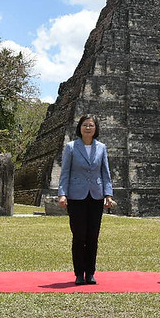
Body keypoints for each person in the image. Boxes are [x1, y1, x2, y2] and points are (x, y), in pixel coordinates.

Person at [58, 114, 115, 285]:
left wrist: (108, 195)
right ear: (79, 128)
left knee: (93, 236)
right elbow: (65, 172)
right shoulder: (71, 147)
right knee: (79, 236)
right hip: (76, 196)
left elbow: (106, 173)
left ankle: (90, 272)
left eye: (91, 125)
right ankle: (78, 273)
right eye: (85, 125)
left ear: (96, 128)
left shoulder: (101, 148)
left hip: (95, 195)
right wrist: (62, 194)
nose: (88, 128)